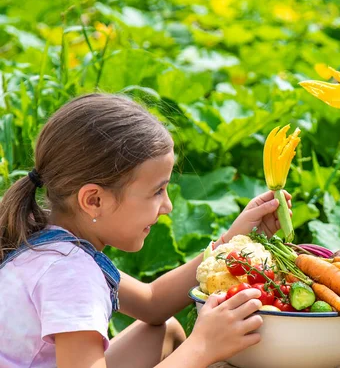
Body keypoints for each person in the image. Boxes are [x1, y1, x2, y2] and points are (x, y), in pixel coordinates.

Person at [0, 93, 291, 368]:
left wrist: (231, 242)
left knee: (162, 332)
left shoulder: (50, 244)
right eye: (157, 191)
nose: (167, 207)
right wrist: (201, 347)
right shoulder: (71, 275)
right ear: (94, 200)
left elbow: (153, 304)